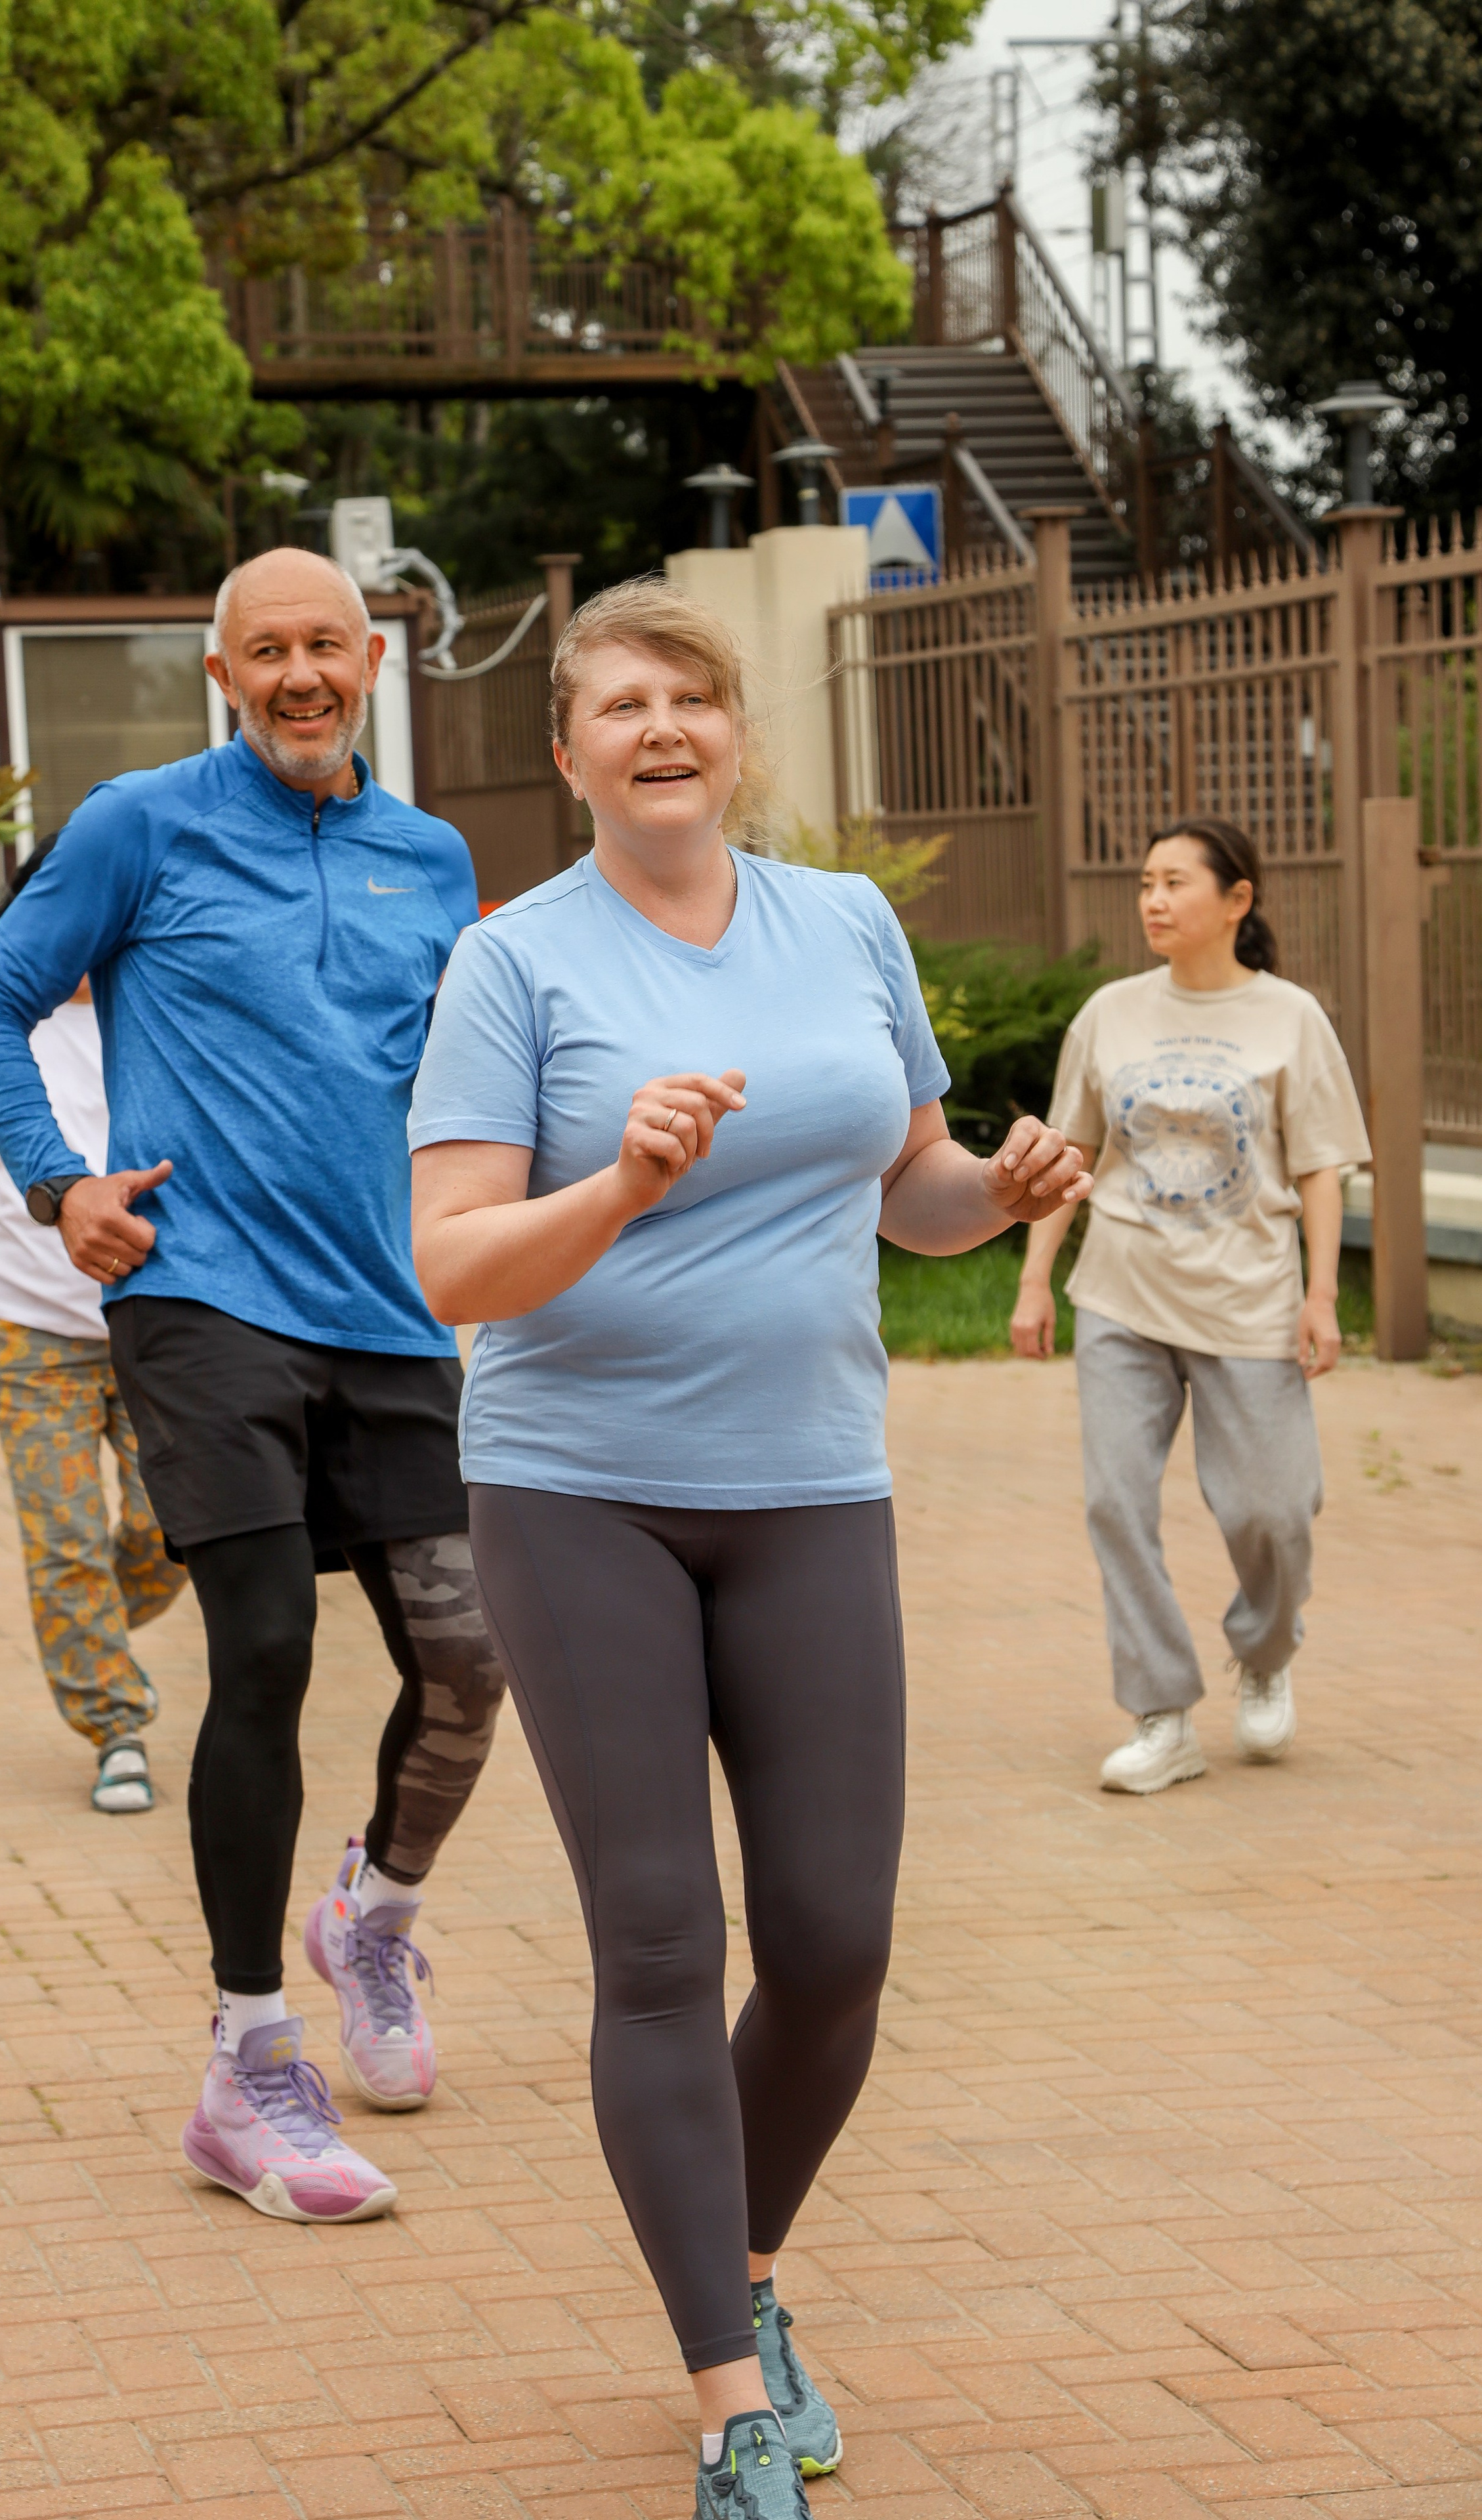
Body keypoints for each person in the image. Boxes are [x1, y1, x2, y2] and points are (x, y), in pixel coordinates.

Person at [406, 580, 1090, 2515]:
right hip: (579, 1490)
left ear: (731, 731)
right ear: (567, 753)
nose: (660, 726)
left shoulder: (843, 921)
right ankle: (726, 2393)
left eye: (689, 695)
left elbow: (908, 1188)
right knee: (656, 1936)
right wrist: (620, 1180)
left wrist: (1003, 1187)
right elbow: (452, 1264)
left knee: (833, 1941)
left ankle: (750, 2267)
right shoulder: (513, 964)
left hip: (809, 1485)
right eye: (619, 703)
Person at [0, 546, 509, 2225]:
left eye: (326, 644)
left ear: (372, 660)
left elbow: (470, 1082)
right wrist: (59, 1182)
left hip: (390, 1313)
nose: (299, 675)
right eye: (266, 651)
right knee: (263, 1646)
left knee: (471, 1657)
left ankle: (373, 1917)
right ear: (221, 673)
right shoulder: (141, 823)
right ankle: (247, 2059)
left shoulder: (432, 857)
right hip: (199, 1297)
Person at [1011, 816, 1370, 1795]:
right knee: (1115, 1504)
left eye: (1175, 883)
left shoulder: (1291, 1017)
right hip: (1122, 1293)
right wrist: (1036, 1279)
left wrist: (1323, 1295)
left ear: (1237, 900)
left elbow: (1321, 1165)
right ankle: (1161, 1712)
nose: (1154, 901)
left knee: (1274, 1511)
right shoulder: (1110, 1013)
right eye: (1146, 883)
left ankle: (1265, 1647)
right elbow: (1071, 1154)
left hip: (1249, 1301)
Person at [0, 841, 188, 1815]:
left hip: (157, 1324)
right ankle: (115, 1726)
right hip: (31, 1333)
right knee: (63, 1541)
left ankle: (82, 1626)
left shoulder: (157, 1002)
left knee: (171, 1532)